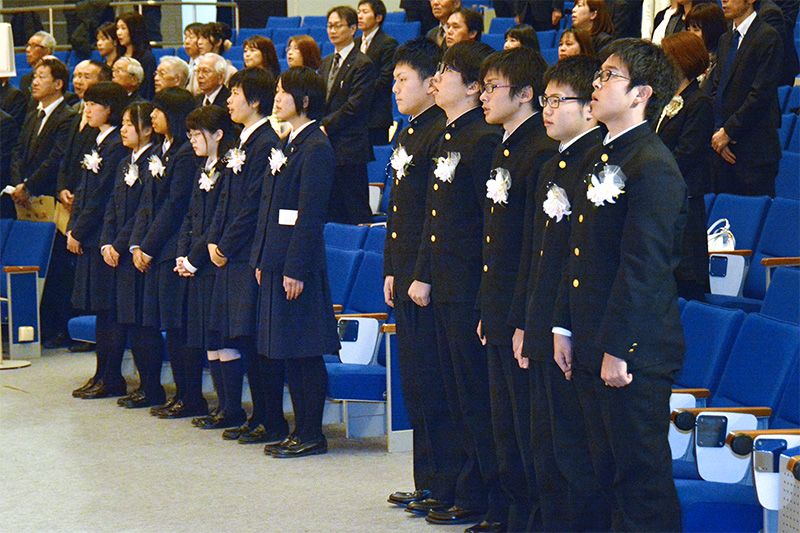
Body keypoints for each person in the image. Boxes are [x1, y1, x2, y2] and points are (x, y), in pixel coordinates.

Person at [552, 38, 685, 531]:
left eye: (609, 75)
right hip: (593, 337)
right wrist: (563, 325)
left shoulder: (653, 164)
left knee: (639, 480)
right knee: (603, 473)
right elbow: (578, 253)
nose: (597, 83)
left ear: (641, 94)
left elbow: (644, 267)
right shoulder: (602, 156)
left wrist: (619, 347)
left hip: (633, 351)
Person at [406, 41, 502, 526]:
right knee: (449, 391)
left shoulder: (482, 139)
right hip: (443, 282)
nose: (437, 78)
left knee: (471, 396)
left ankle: (475, 491)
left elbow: (483, 224)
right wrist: (423, 272)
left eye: (446, 71)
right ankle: (453, 485)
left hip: (466, 285)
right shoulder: (449, 136)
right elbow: (433, 218)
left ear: (472, 86)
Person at [513, 55, 608, 532]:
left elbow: (579, 261)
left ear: (590, 107)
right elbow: (533, 253)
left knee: (572, 449)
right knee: (543, 444)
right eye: (545, 101)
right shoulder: (552, 164)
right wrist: (523, 322)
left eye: (558, 101)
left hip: (568, 325)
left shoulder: (595, 163)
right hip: (541, 319)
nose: (547, 110)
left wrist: (557, 324)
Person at [475, 46, 557, 533]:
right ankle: (509, 511)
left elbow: (531, 248)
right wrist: (489, 308)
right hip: (498, 305)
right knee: (502, 419)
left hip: (521, 310)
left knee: (525, 424)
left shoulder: (539, 152)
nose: (484, 97)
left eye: (492, 88)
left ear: (525, 94)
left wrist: (522, 318)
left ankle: (529, 518)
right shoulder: (504, 146)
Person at [384, 37, 460, 511]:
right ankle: (426, 479)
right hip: (405, 271)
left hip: (425, 277)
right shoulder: (410, 131)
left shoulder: (438, 133)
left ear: (432, 83)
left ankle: (445, 483)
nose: (395, 88)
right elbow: (397, 212)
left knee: (434, 386)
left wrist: (419, 272)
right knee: (416, 385)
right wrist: (390, 268)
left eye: (402, 79)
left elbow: (436, 218)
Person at [253, 66, 340, 458]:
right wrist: (263, 258)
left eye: (283, 92)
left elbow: (309, 214)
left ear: (304, 100)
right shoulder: (290, 142)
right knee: (289, 348)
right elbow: (271, 209)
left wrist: (294, 268)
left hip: (298, 264)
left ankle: (311, 432)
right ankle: (298, 429)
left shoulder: (316, 146)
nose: (276, 98)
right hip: (279, 258)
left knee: (305, 350)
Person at [203, 68, 288, 439]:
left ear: (254, 101)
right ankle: (258, 416)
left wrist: (226, 244)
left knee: (255, 340)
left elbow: (254, 206)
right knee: (242, 338)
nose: (228, 101)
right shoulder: (242, 140)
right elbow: (225, 199)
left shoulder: (267, 142)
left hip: (249, 254)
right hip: (232, 254)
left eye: (234, 94)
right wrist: (214, 240)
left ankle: (271, 419)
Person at [129, 88, 202, 419]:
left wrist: (150, 245)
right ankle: (179, 394)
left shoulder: (185, 154)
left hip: (172, 248)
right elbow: (147, 203)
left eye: (158, 110)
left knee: (178, 325)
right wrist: (138, 244)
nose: (152, 116)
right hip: (154, 247)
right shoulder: (162, 149)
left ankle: (190, 395)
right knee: (167, 325)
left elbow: (175, 206)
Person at [175, 105, 238, 429]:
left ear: (218, 134)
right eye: (189, 135)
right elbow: (190, 216)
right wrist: (182, 255)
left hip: (215, 263)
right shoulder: (203, 167)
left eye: (197, 134)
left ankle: (231, 408)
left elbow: (217, 221)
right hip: (197, 262)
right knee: (208, 337)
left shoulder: (227, 168)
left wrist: (193, 259)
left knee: (222, 336)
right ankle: (221, 406)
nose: (192, 140)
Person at [100, 101, 165, 408]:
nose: (123, 129)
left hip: (137, 250)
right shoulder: (125, 161)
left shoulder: (154, 159)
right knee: (127, 318)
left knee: (143, 322)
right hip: (118, 251)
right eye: (123, 123)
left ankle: (152, 387)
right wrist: (106, 242)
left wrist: (121, 243)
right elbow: (112, 206)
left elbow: (144, 210)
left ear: (147, 129)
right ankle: (140, 385)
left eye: (130, 124)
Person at [67, 81, 129, 399]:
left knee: (109, 309)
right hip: (88, 234)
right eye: (86, 103)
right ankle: (101, 372)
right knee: (101, 310)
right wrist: (72, 227)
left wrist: (80, 230)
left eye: (94, 104)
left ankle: (111, 375)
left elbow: (102, 195)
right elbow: (83, 189)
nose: (87, 109)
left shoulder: (117, 144)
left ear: (110, 108)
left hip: (102, 236)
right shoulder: (98, 140)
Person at [43, 59, 111, 350]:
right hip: (68, 200)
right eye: (78, 75)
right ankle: (66, 326)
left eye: (87, 76)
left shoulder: (105, 130)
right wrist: (62, 188)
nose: (79, 81)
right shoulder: (75, 115)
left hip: (87, 211)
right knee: (63, 270)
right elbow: (64, 158)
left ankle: (85, 329)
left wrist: (78, 200)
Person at [658, 31, 712, 300]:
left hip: (685, 199)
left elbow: (687, 152)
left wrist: (652, 172)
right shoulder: (665, 99)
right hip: (665, 196)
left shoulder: (699, 102)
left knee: (686, 278)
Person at [710, 0, 783, 197]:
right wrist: (719, 131)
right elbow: (717, 89)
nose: (724, 1)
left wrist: (728, 131)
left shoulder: (767, 36)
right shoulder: (725, 39)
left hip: (754, 152)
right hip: (722, 148)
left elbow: (760, 95)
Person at [320, 6, 377, 224]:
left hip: (350, 147)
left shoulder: (363, 64)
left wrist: (325, 125)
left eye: (337, 26)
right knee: (331, 211)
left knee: (354, 210)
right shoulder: (326, 62)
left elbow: (355, 106)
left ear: (353, 29)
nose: (332, 31)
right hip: (327, 146)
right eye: (329, 26)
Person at [9, 57, 76, 211]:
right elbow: (18, 151)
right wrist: (18, 184)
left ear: (58, 84)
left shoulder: (68, 117)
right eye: (34, 77)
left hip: (48, 194)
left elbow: (56, 157)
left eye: (41, 77)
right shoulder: (33, 114)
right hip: (22, 193)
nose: (35, 82)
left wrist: (28, 186)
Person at [355, 0, 399, 145]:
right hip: (355, 116)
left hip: (375, 117)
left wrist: (357, 91)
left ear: (378, 17)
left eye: (365, 12)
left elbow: (385, 79)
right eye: (358, 12)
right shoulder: (355, 43)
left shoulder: (388, 43)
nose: (360, 16)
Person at [684, 2, 726, 89]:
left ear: (711, 30)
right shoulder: (690, 56)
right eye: (688, 30)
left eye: (696, 30)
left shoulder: (721, 57)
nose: (690, 34)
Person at [116, 13, 156, 100]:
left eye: (123, 28)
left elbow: (147, 89)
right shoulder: (118, 56)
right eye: (117, 28)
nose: (118, 33)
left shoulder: (146, 58)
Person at [20, 30, 55, 98]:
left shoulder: (57, 75)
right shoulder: (25, 80)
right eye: (28, 45)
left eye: (34, 46)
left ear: (47, 50)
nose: (27, 49)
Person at [183, 22, 204, 95]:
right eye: (185, 38)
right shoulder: (186, 64)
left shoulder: (205, 64)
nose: (186, 42)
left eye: (191, 37)